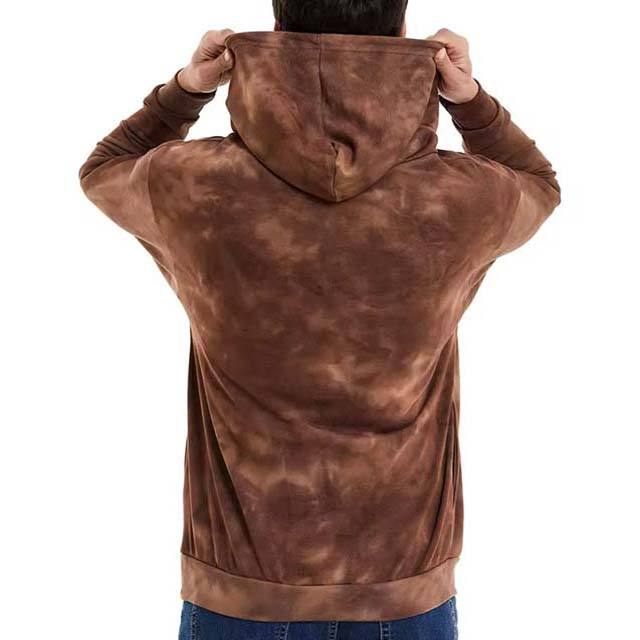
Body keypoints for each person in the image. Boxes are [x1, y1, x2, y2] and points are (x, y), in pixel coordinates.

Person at [79, 0, 560, 637]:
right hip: (404, 595)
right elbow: (538, 182)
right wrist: (470, 101)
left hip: (241, 598)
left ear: (277, 24)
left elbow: (104, 168)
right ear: (401, 27)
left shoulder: (193, 185)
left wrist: (187, 89)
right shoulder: (462, 198)